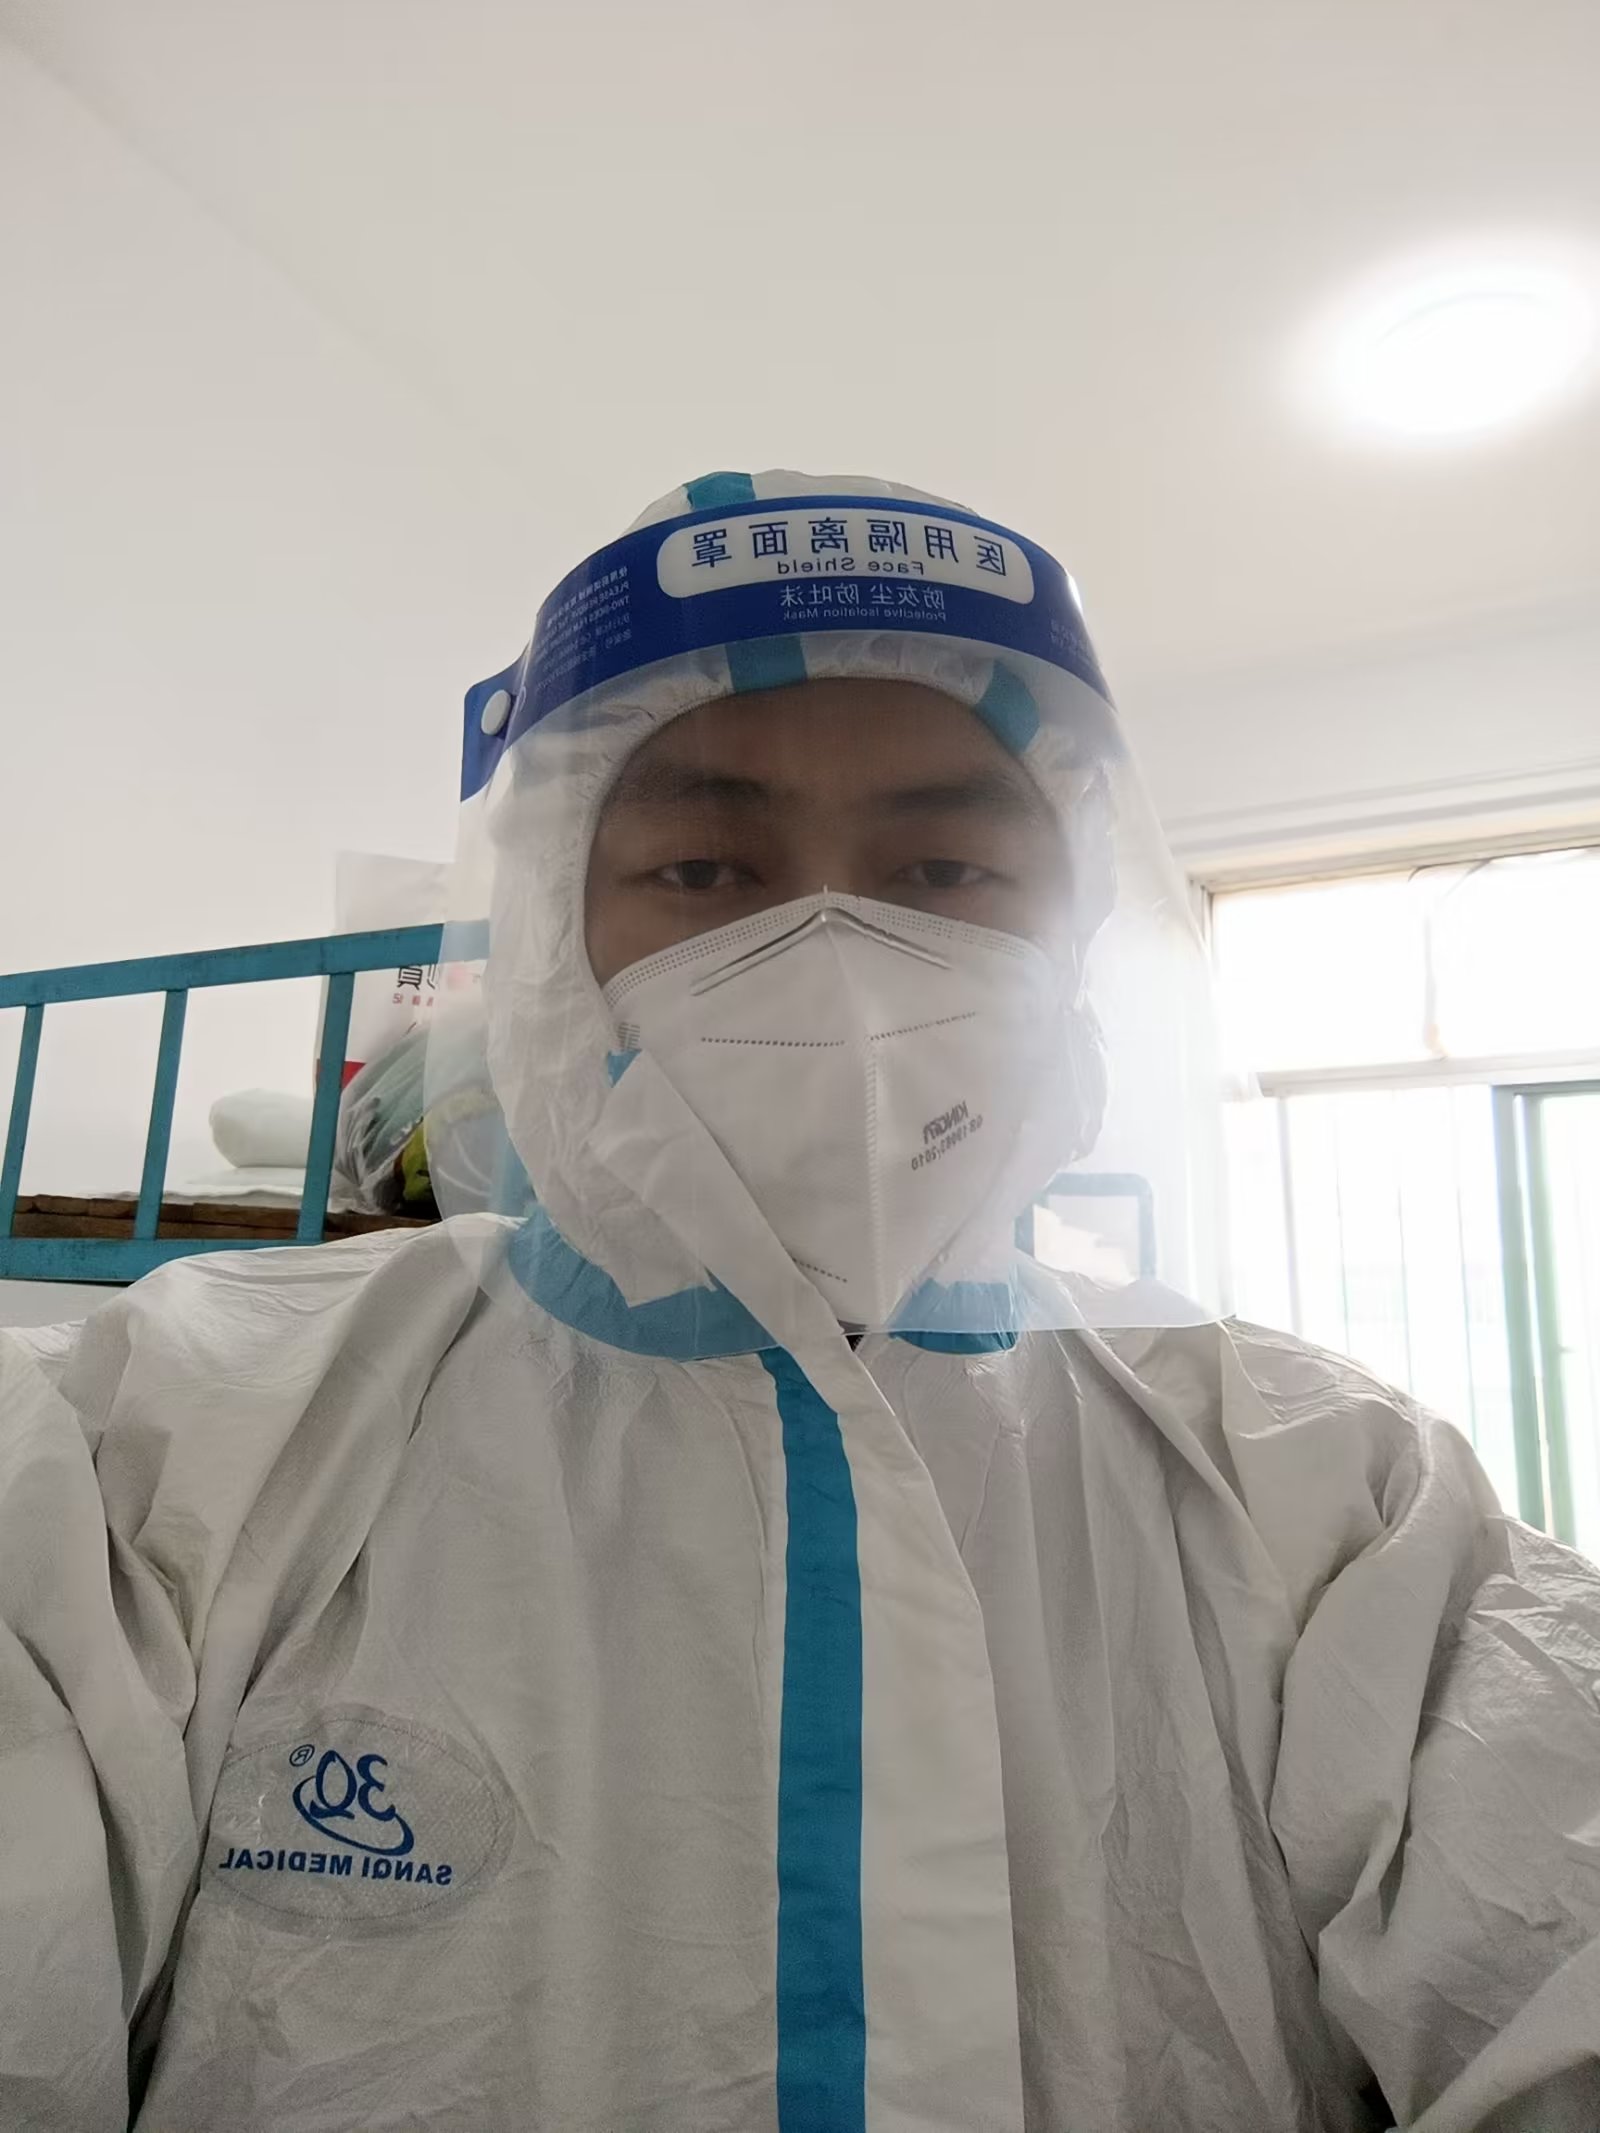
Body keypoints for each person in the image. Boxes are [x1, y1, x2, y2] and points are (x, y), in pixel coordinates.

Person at [4, 471, 1599, 2133]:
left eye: (944, 869)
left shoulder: (1337, 1495)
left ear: (1069, 941)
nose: (834, 956)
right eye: (704, 866)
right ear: (552, 941)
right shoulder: (162, 1442)